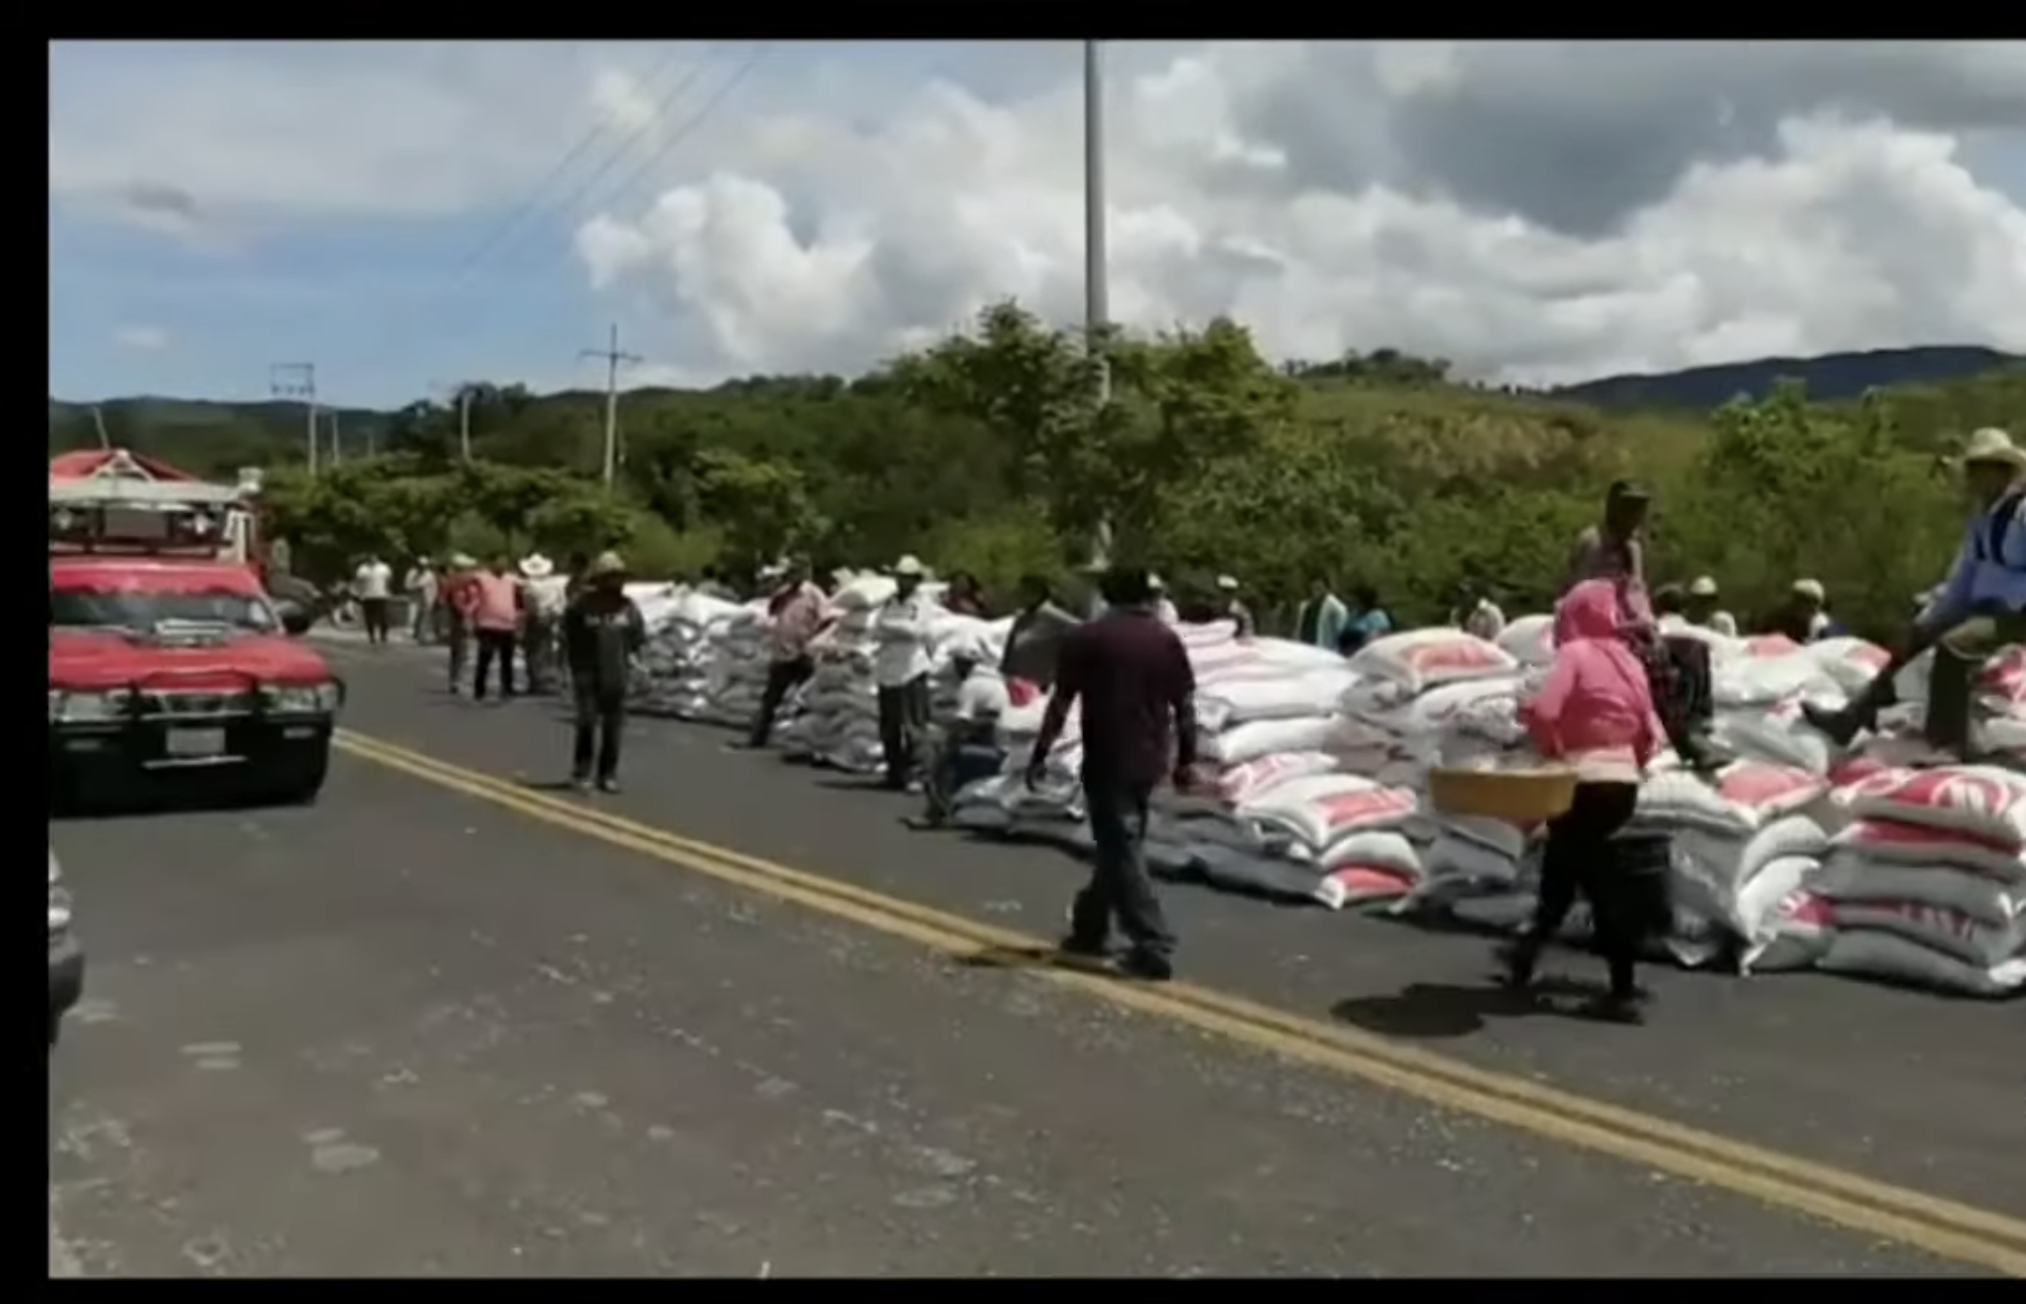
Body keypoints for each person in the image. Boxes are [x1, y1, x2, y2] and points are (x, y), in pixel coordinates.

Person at [1497, 578, 1671, 1023]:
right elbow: (1650, 733)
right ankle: (1525, 954)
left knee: (1596, 884)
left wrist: (1550, 746)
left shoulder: (1575, 655)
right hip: (1622, 785)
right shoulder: (1629, 661)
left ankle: (1622, 991)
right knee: (1563, 866)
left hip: (1581, 783)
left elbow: (1546, 711)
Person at [1804, 427, 2026, 759]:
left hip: (2015, 611)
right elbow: (1964, 578)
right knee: (1915, 638)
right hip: (1983, 605)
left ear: (2002, 472)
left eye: (1984, 469)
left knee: (1955, 647)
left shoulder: (2022, 513)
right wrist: (1934, 616)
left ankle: (1947, 742)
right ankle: (1851, 719)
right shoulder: (1981, 521)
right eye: (1973, 469)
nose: (1975, 478)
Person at [1027, 566, 1197, 981]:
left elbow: (1061, 702)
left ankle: (1152, 942)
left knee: (1121, 847)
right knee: (1119, 844)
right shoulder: (1165, 640)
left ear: (1107, 594)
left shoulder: (1086, 639)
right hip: (1150, 759)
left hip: (1108, 757)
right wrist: (1185, 760)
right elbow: (1186, 705)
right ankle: (1090, 926)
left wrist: (1041, 752)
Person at [560, 551, 645, 793]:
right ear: (601, 579)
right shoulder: (581, 605)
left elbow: (636, 639)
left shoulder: (628, 607)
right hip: (587, 671)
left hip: (616, 672)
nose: (617, 582)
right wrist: (567, 669)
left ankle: (608, 774)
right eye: (612, 577)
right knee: (586, 722)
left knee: (613, 726)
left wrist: (639, 666)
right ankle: (581, 771)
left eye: (619, 577)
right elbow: (568, 638)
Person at [914, 637, 1013, 828]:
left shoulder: (972, 686)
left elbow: (962, 723)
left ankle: (937, 812)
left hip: (998, 749)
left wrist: (946, 742)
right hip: (1004, 747)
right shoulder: (996, 682)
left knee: (942, 760)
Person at [745, 559, 831, 750]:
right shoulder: (784, 593)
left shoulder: (815, 595)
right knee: (771, 699)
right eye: (791, 572)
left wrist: (814, 641)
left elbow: (826, 619)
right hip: (782, 652)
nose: (794, 576)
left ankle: (802, 740)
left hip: (804, 653)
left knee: (804, 698)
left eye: (797, 572)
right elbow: (772, 611)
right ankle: (758, 736)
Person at [873, 555, 937, 790]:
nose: (903, 582)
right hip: (888, 669)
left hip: (912, 669)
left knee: (914, 726)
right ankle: (894, 772)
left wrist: (892, 628)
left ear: (916, 580)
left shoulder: (921, 603)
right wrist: (894, 629)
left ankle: (918, 774)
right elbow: (876, 629)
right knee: (889, 726)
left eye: (908, 578)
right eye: (900, 577)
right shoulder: (889, 602)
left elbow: (917, 630)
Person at [1564, 480, 1654, 624]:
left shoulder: (1634, 548)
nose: (1634, 515)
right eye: (1629, 508)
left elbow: (1637, 589)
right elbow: (1577, 591)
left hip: (1628, 623)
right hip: (1592, 622)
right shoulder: (1592, 542)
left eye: (1638, 508)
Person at [1001, 574, 1080, 690]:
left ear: (1037, 592)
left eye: (1025, 591)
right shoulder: (1022, 616)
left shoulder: (1052, 615)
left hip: (1037, 684)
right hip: (1013, 681)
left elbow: (1083, 630)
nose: (1020, 595)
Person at [470, 553, 523, 702]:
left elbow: (522, 594)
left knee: (507, 659)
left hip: (507, 625)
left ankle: (507, 688)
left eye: (505, 562)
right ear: (491, 563)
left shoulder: (512, 579)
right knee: (485, 657)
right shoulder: (481, 578)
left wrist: (519, 618)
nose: (502, 565)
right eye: (499, 562)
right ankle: (479, 689)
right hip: (487, 623)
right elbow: (468, 588)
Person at [518, 554, 570, 695]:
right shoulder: (556, 584)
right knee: (549, 650)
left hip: (536, 619)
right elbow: (562, 602)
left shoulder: (528, 585)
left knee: (534, 651)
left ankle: (537, 681)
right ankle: (551, 680)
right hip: (553, 617)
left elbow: (529, 605)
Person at [441, 554, 480, 694]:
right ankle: (457, 679)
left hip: (473, 618)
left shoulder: (474, 582)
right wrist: (467, 612)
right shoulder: (453, 583)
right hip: (459, 619)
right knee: (460, 651)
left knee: (462, 651)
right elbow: (449, 600)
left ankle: (459, 679)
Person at [1769, 579, 1832, 644]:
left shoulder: (1820, 622)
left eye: (1816, 603)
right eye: (1807, 602)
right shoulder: (1777, 618)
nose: (1814, 609)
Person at [1295, 576, 1349, 651]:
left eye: (1319, 588)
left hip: (1325, 648)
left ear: (1326, 588)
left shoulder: (1334, 606)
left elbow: (1341, 627)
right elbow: (1299, 628)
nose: (1316, 592)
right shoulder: (1305, 606)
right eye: (1313, 589)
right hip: (1305, 646)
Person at [1338, 584, 1393, 655]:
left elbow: (1381, 637)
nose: (1350, 602)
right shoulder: (1353, 615)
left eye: (1353, 600)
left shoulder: (1377, 616)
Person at [354, 552, 394, 646]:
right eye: (370, 558)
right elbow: (359, 582)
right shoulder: (363, 569)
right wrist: (359, 593)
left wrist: (388, 590)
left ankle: (383, 635)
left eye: (374, 558)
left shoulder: (384, 568)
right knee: (369, 618)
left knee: (383, 617)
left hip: (381, 595)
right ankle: (371, 636)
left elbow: (389, 580)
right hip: (367, 596)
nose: (372, 559)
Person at [403, 557, 438, 644]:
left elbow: (433, 587)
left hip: (426, 597)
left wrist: (433, 597)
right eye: (420, 565)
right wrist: (415, 585)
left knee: (424, 617)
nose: (421, 567)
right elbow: (408, 585)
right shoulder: (411, 573)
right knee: (414, 616)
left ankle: (421, 635)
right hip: (415, 597)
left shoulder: (429, 574)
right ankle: (416, 632)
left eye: (423, 566)